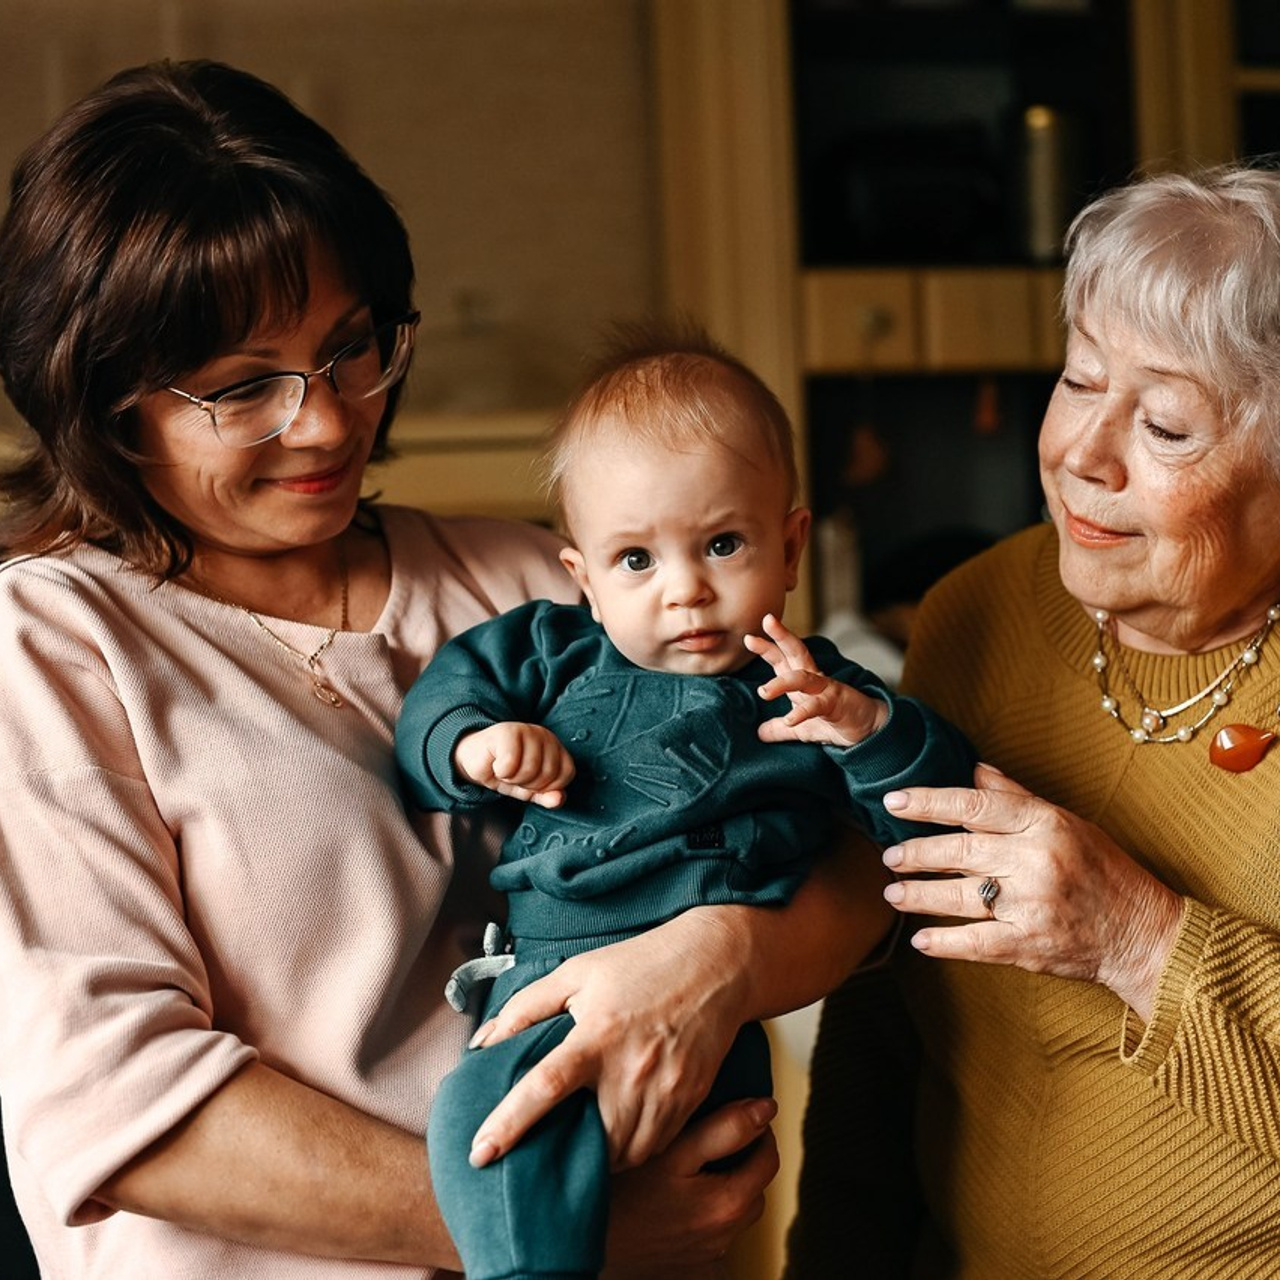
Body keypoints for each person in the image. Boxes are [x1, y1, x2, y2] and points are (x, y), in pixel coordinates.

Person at [0, 60, 896, 1279]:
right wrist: (550, 1225)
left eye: (349, 348)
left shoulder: (533, 583)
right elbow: (122, 1103)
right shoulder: (53, 645)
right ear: (106, 405)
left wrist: (724, 958)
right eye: (241, 387)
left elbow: (853, 856)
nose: (321, 420)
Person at [393, 328, 977, 1280]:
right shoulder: (550, 652)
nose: (687, 592)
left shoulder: (812, 686)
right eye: (636, 561)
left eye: (722, 543)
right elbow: (436, 709)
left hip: (713, 1012)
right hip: (548, 980)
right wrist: (473, 743)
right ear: (581, 579)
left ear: (790, 546)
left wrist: (864, 733)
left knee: (686, 1197)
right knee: (482, 1122)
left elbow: (930, 809)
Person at [786, 162, 1280, 1278]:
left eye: (1162, 424)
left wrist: (1139, 937)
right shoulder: (978, 614)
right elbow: (887, 1024)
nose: (1078, 455)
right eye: (1075, 378)